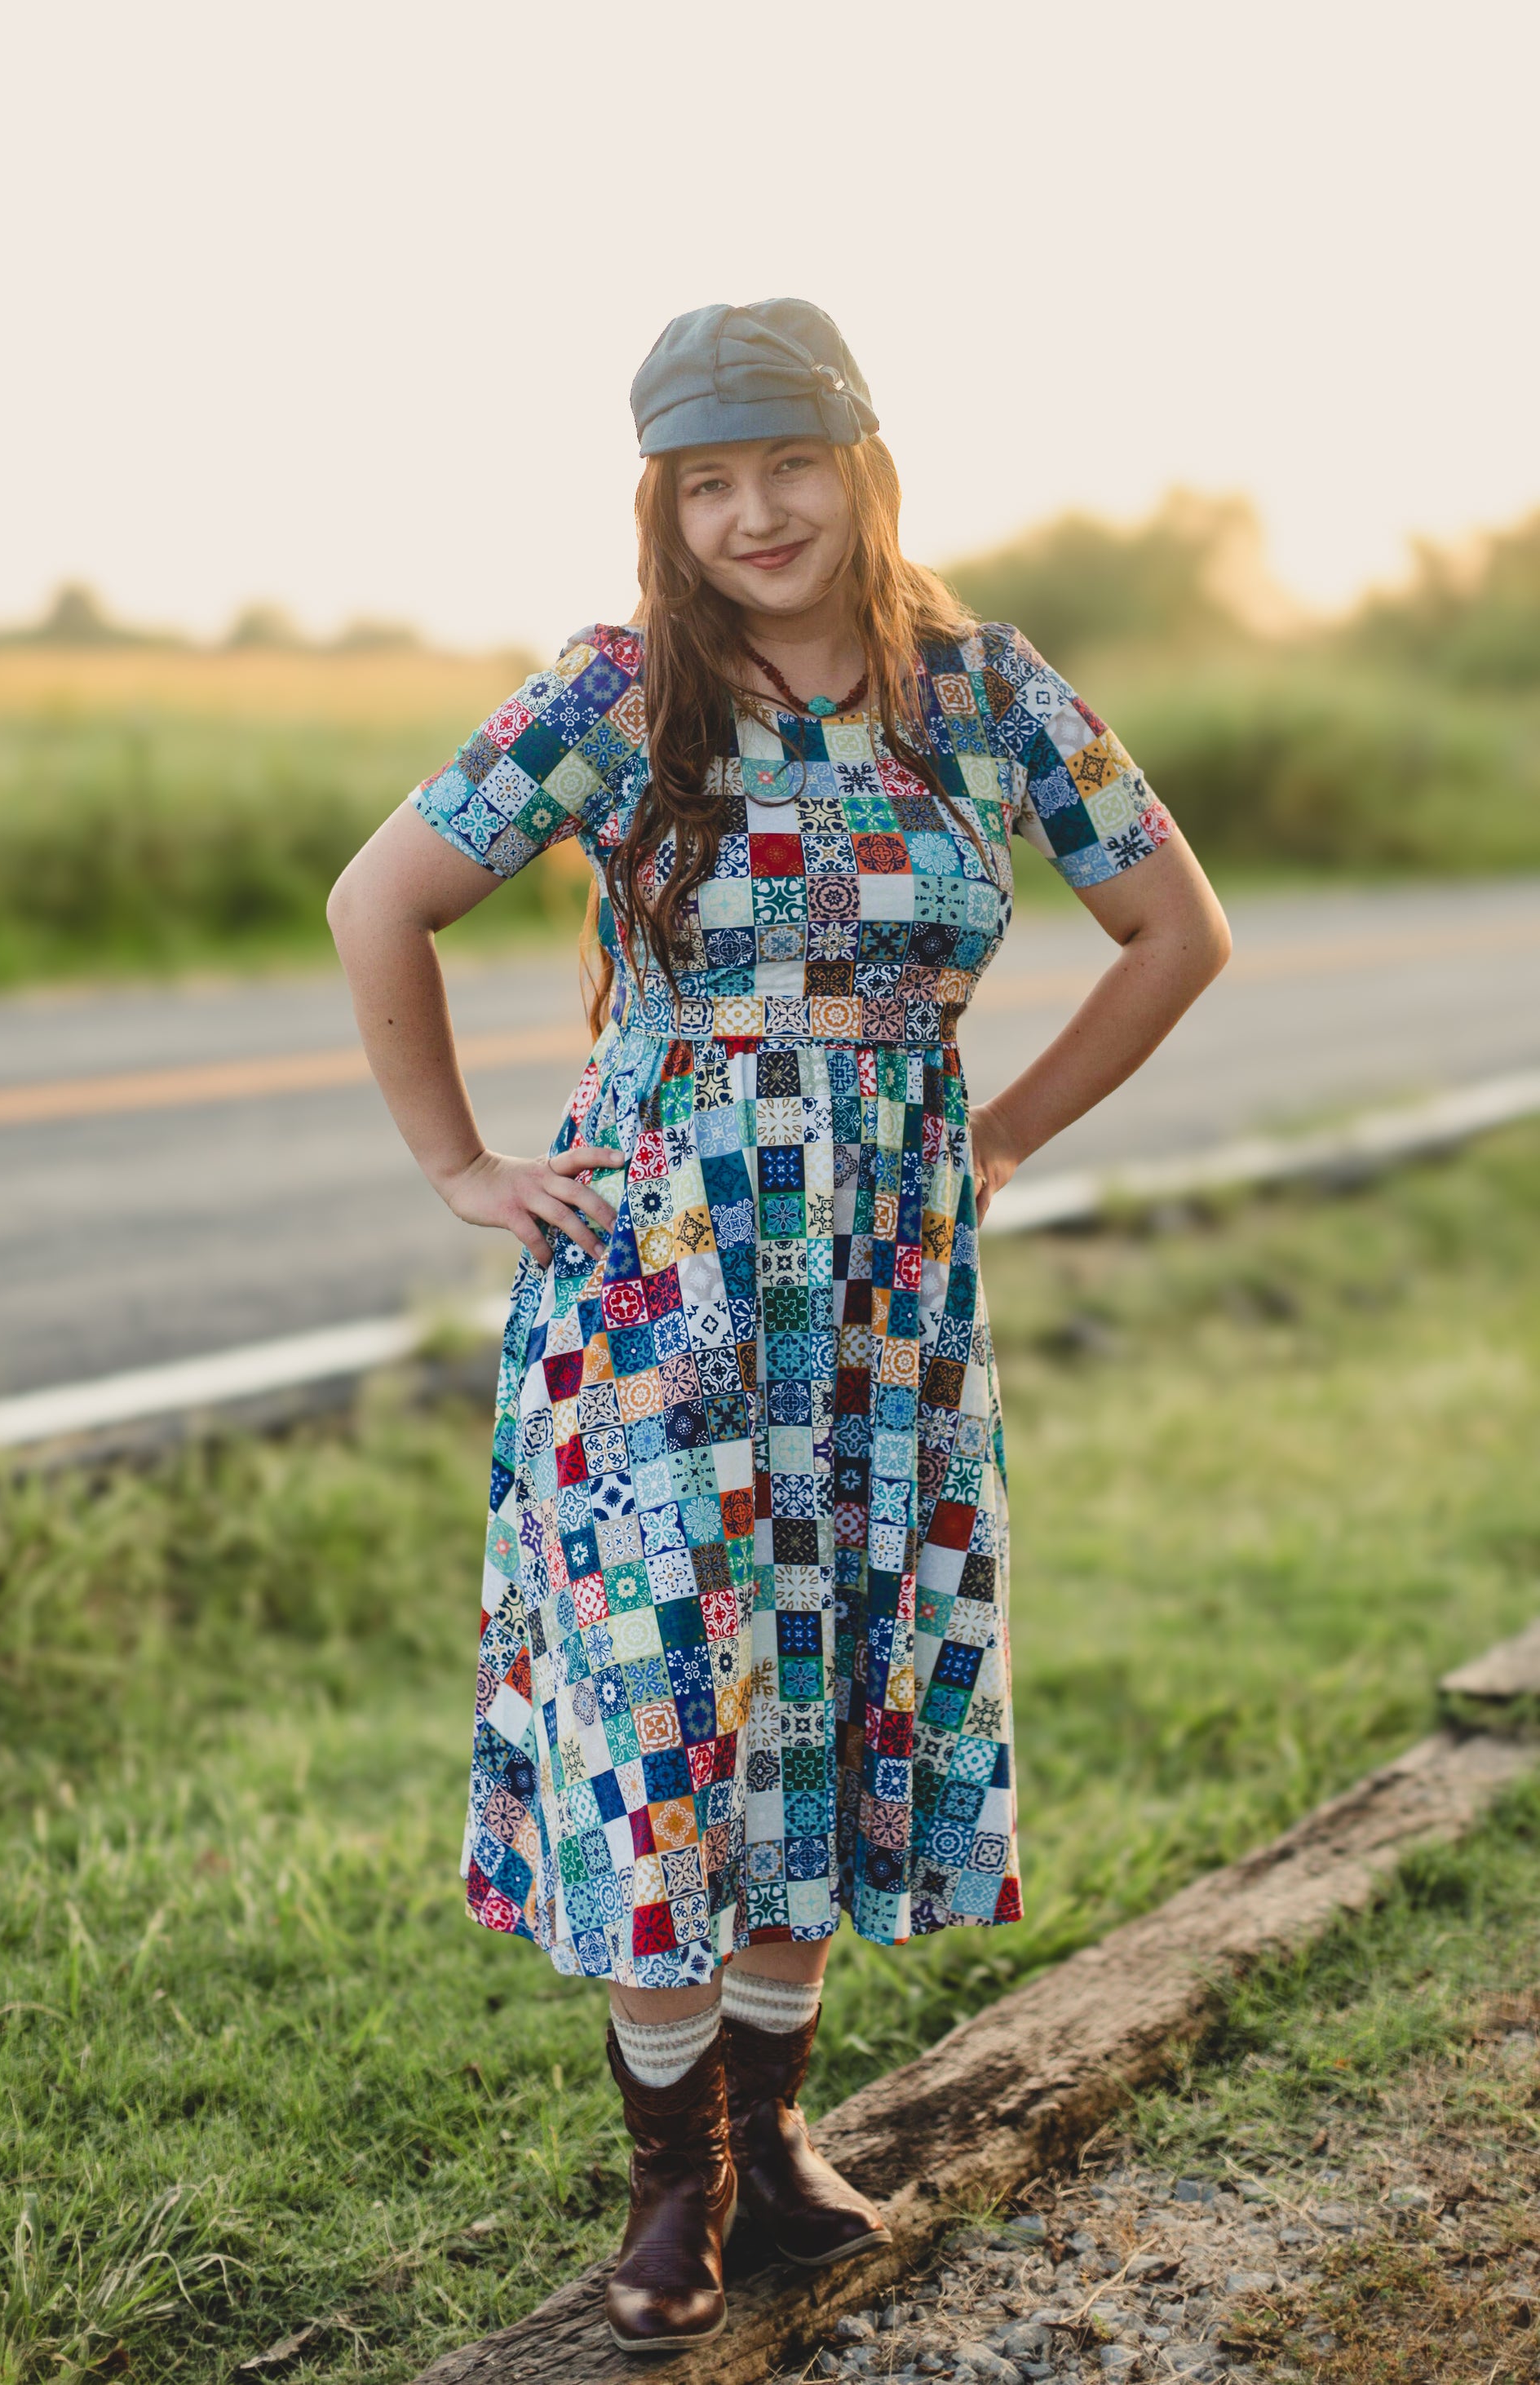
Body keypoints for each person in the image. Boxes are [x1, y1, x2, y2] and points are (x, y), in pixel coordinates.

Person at [327, 297, 1231, 2353]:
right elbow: (376, 899)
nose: (753, 514)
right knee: (667, 1706)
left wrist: (991, 1131)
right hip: (651, 1290)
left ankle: (778, 2132)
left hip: (887, 1299)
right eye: (707, 479)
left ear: (861, 462)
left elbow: (1176, 930)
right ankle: (672, 2186)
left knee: (826, 1686)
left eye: (787, 466)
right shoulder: (616, 687)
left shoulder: (986, 689)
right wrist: (464, 1165)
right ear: (665, 496)